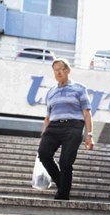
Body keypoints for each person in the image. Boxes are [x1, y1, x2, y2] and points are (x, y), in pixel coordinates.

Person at [37, 58, 94, 200]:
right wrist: (43, 135)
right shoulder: (51, 92)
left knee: (65, 162)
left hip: (73, 126)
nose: (58, 72)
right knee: (43, 154)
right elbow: (47, 117)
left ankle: (63, 194)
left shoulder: (79, 89)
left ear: (68, 70)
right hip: (54, 126)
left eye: (60, 69)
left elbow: (87, 113)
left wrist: (89, 134)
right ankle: (62, 184)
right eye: (55, 70)